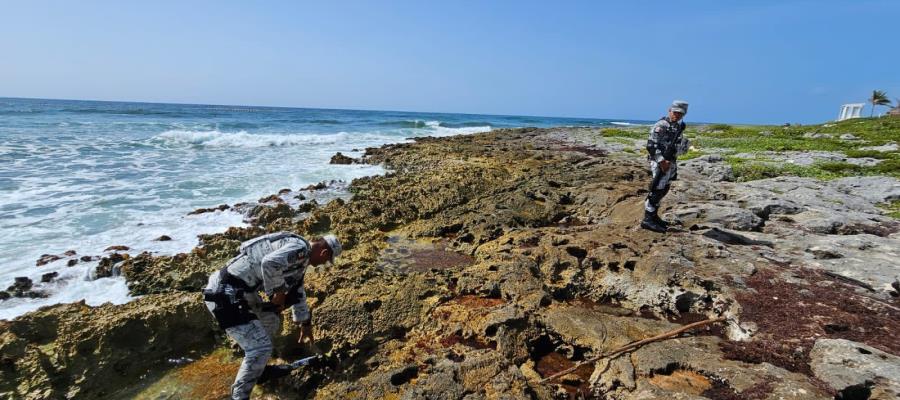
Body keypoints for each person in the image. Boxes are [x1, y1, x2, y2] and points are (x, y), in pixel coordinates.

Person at [202, 231, 342, 400]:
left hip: (240, 292)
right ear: (324, 253)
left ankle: (258, 369)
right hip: (224, 293)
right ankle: (239, 396)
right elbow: (269, 263)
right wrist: (279, 291)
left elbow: (298, 290)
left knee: (271, 319)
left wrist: (305, 323)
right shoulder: (300, 248)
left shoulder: (301, 260)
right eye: (326, 260)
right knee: (260, 348)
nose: (323, 263)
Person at [641, 100, 691, 233]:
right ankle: (647, 219)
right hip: (660, 161)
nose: (677, 115)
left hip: (671, 162)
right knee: (657, 189)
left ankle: (654, 216)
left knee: (664, 188)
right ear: (670, 110)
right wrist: (662, 161)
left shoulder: (677, 127)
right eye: (675, 112)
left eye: (680, 113)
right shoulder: (661, 125)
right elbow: (651, 145)